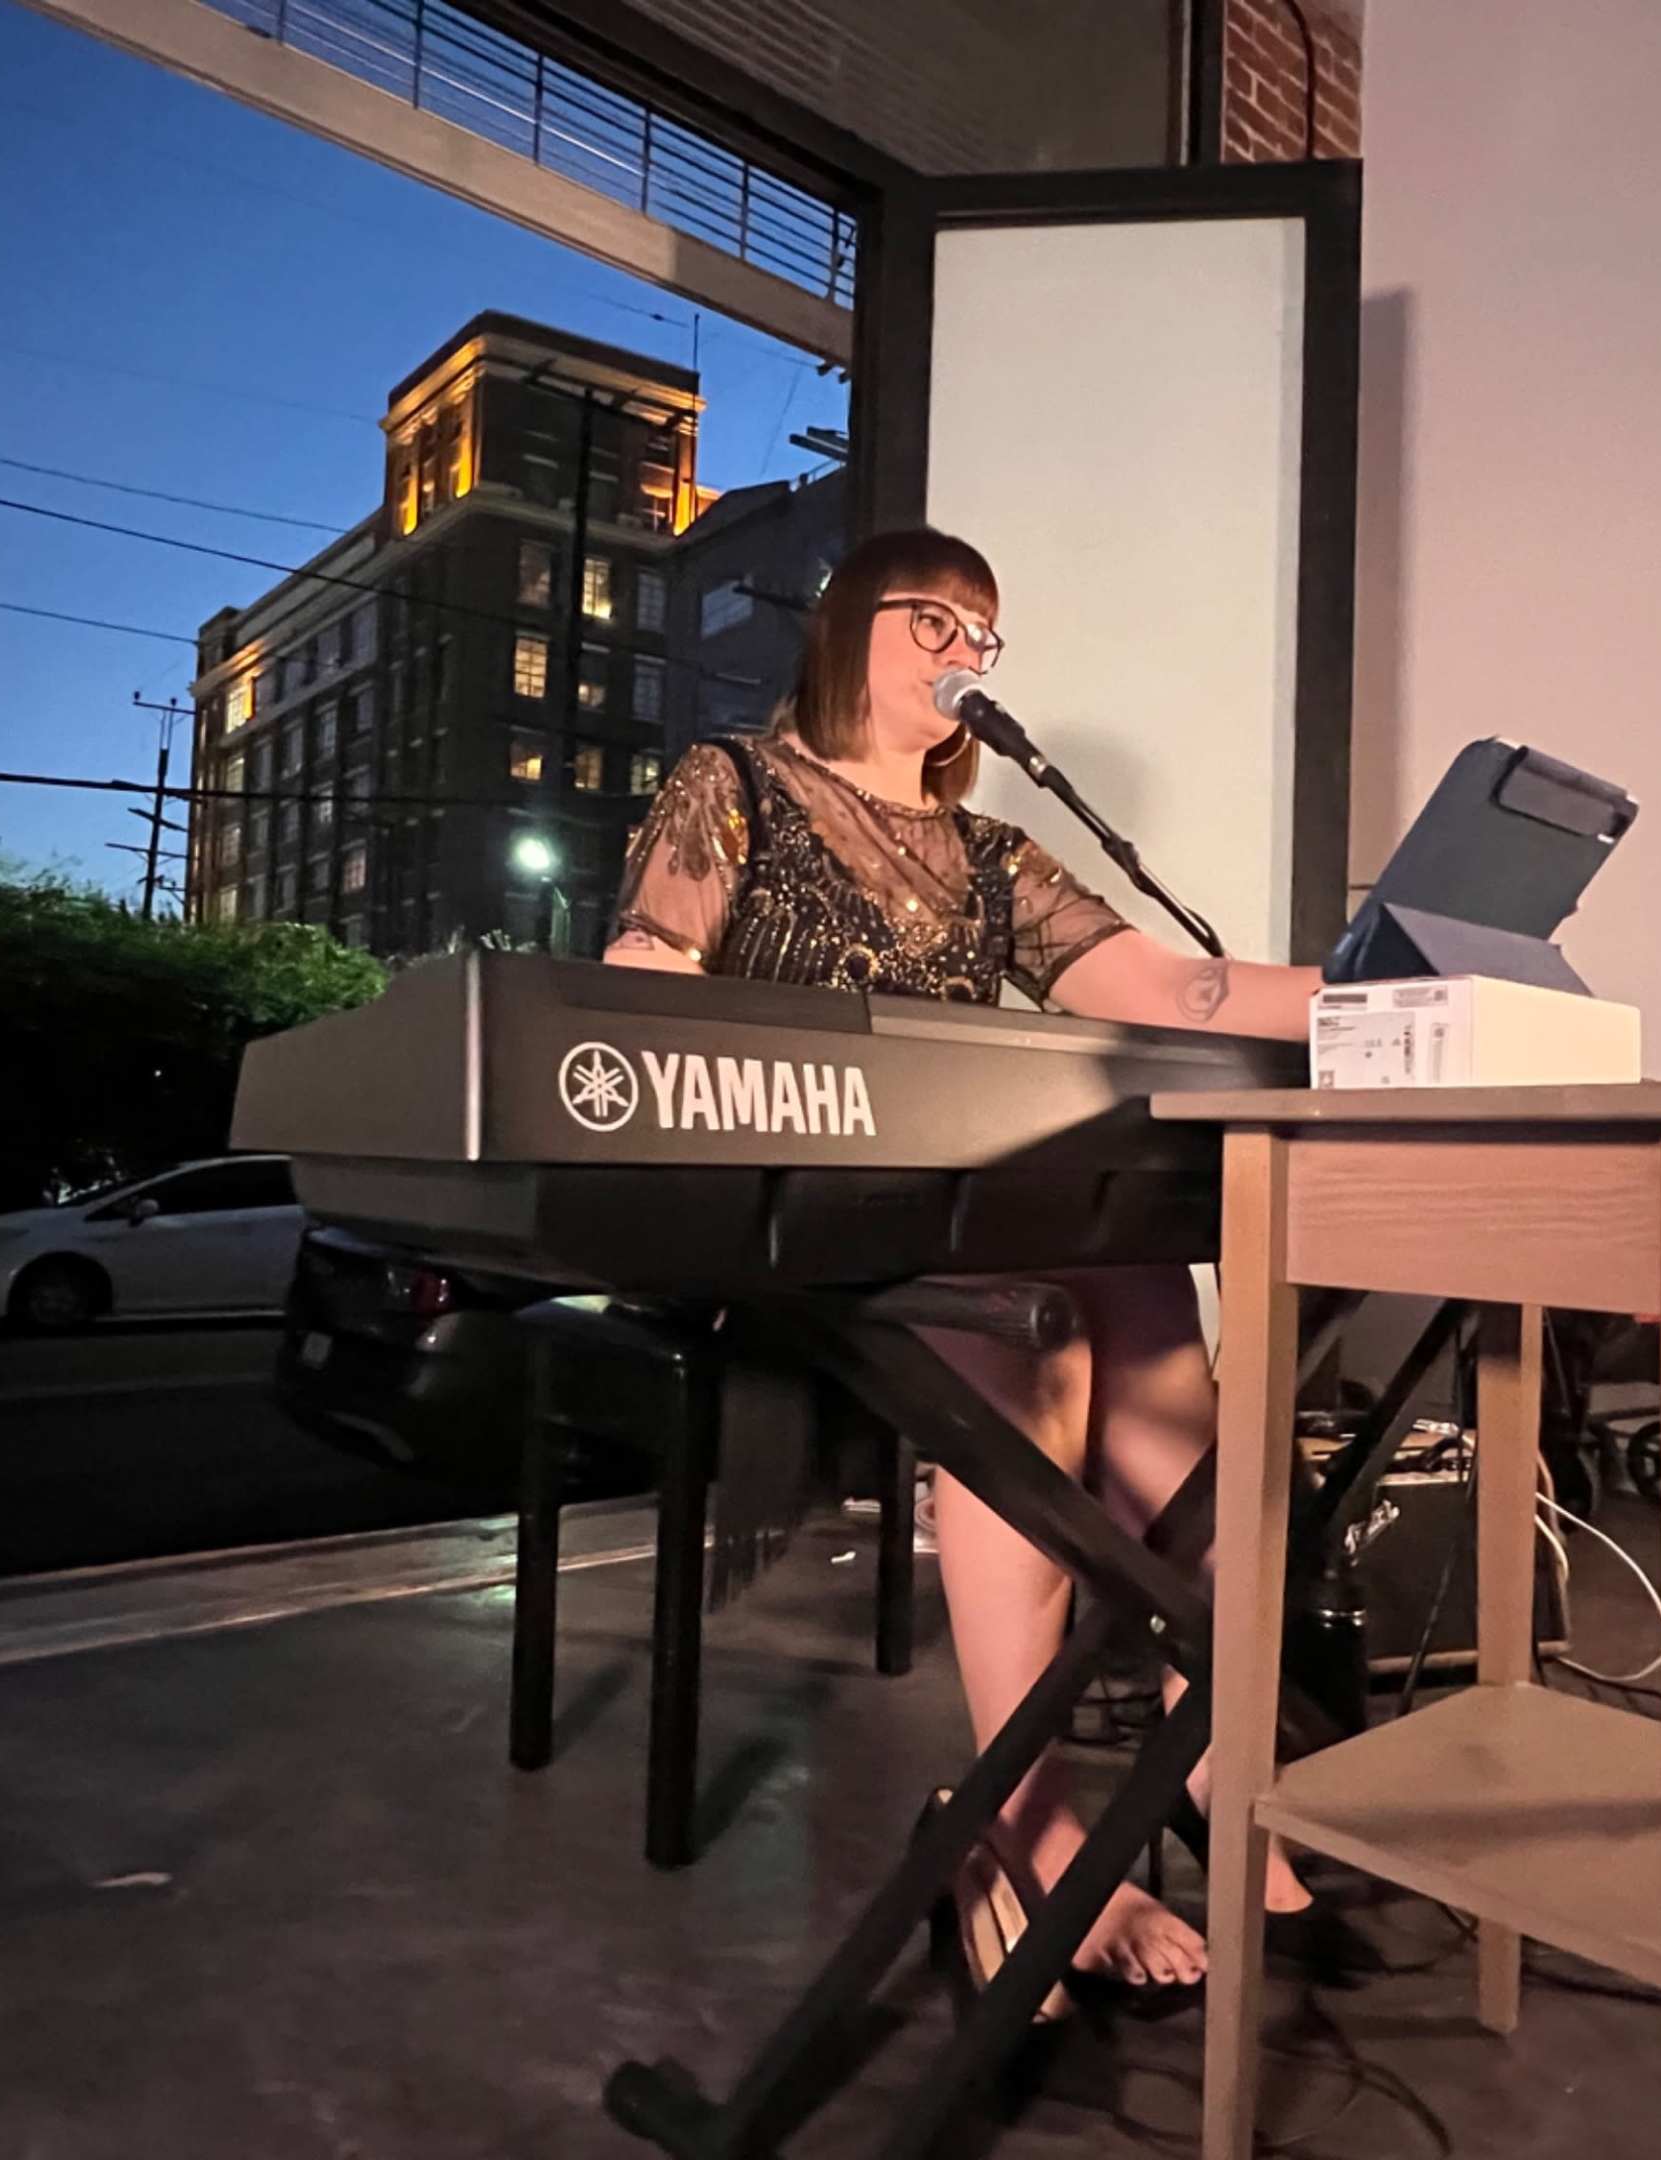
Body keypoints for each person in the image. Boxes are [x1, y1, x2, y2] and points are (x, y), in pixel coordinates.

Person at [606, 527, 1324, 1992]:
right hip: (780, 1216)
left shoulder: (995, 855)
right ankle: (1032, 1818)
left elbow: (1176, 986)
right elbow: (644, 987)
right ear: (847, 632)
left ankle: (1206, 1727)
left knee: (1140, 1278)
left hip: (944, 1216)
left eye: (980, 633)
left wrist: (1388, 990)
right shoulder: (729, 787)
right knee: (1027, 1326)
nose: (958, 652)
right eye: (927, 618)